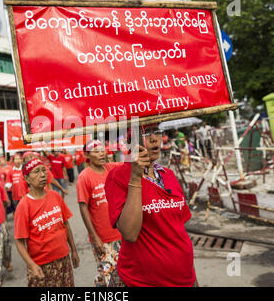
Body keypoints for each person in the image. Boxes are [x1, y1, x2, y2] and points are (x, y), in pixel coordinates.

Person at [105, 123, 198, 287]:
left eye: (156, 132)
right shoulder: (118, 177)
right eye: (146, 133)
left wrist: (192, 276)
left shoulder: (168, 174)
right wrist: (135, 177)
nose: (155, 138)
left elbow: (178, 231)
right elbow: (129, 233)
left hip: (184, 277)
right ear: (129, 143)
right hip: (142, 281)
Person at [14, 158, 80, 287]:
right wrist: (31, 265)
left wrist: (74, 250)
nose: (43, 174)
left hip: (64, 258)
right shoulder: (23, 206)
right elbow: (19, 242)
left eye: (44, 170)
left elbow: (66, 225)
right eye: (36, 172)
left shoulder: (55, 196)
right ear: (27, 179)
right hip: (41, 264)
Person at [76, 140, 122, 286]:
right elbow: (83, 208)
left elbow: (130, 165)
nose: (102, 153)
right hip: (103, 238)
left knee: (118, 271)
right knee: (112, 276)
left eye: (103, 150)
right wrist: (95, 237)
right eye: (96, 151)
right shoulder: (84, 177)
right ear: (87, 155)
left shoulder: (111, 168)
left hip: (120, 233)